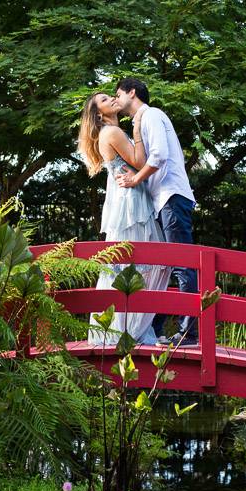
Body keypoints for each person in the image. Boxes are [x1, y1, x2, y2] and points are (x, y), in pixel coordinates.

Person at [77, 92, 171, 346]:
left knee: (136, 263)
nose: (112, 100)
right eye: (106, 100)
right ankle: (125, 330)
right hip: (131, 202)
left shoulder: (112, 132)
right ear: (99, 114)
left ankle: (127, 327)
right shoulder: (112, 133)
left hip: (129, 196)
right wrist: (138, 126)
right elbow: (139, 160)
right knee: (146, 262)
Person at [113, 78, 198, 347]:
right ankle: (158, 326)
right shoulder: (141, 121)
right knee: (171, 264)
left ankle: (189, 333)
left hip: (172, 196)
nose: (116, 99)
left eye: (118, 94)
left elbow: (159, 156)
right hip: (164, 200)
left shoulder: (151, 115)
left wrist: (136, 179)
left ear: (132, 93)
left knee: (183, 264)